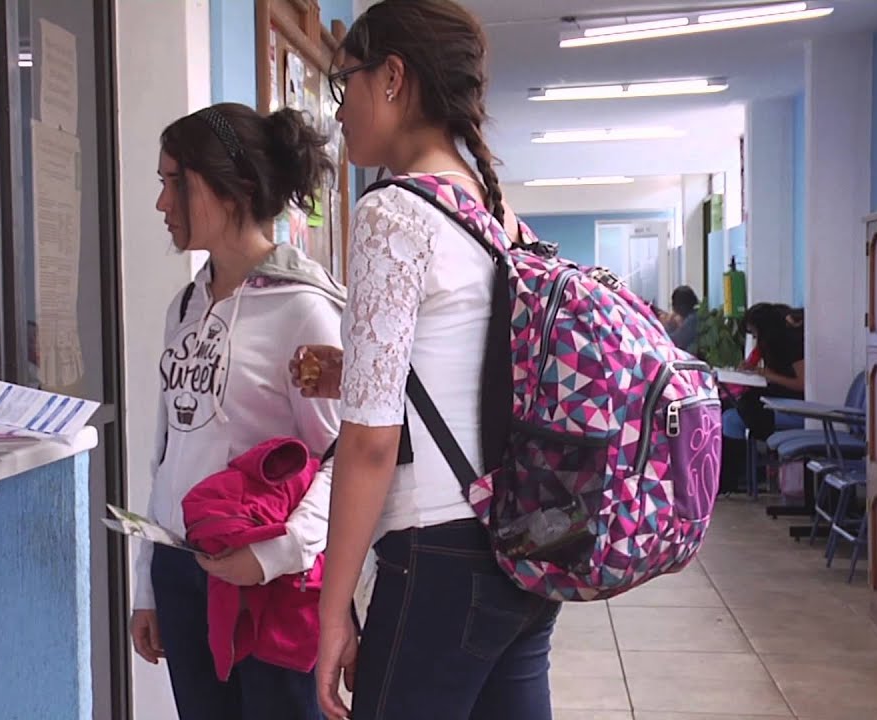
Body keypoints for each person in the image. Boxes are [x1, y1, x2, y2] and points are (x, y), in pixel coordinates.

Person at [296, 2, 559, 718]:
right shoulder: (493, 214)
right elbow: (463, 373)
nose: (339, 108)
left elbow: (371, 441)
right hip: (518, 545)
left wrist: (332, 609)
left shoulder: (393, 214)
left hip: (439, 556)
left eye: (344, 82)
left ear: (392, 78)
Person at [128, 102, 345, 720]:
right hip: (183, 569)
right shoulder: (185, 306)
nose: (162, 203)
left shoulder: (305, 310)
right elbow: (167, 450)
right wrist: (149, 581)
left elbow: (343, 459)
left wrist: (273, 557)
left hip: (267, 583)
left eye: (176, 182)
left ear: (235, 186)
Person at [719, 302, 806, 493]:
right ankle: (735, 478)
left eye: (755, 333)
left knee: (735, 416)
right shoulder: (770, 345)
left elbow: (802, 384)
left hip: (796, 408)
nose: (756, 338)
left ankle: (737, 478)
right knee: (730, 414)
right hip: (777, 402)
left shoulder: (792, 345)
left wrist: (769, 375)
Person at [666, 285, 701, 354]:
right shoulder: (695, 315)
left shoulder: (693, 319)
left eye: (675, 305)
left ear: (682, 306)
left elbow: (674, 341)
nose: (674, 309)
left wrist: (669, 325)